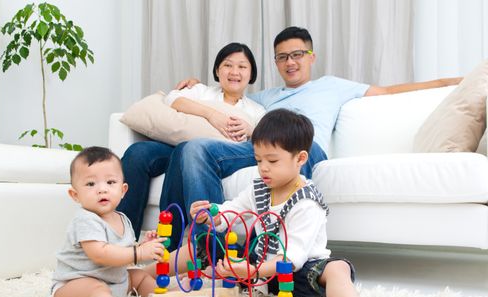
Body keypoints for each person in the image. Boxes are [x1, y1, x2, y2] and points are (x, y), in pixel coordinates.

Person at [156, 26, 462, 245]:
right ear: (275, 63)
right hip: (266, 150)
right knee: (193, 149)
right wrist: (198, 84)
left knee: (199, 149)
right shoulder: (264, 97)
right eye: (282, 57)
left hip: (306, 149)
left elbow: (386, 91)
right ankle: (207, 244)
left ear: (311, 57)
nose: (290, 62)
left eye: (298, 54)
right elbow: (233, 94)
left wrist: (449, 81)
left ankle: (268, 245)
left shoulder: (332, 85)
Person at [148, 109, 396, 297]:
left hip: (295, 273)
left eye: (273, 161)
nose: (263, 168)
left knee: (337, 268)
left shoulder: (308, 202)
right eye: (258, 160)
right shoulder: (259, 188)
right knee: (206, 242)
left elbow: (294, 258)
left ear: (300, 159)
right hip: (256, 265)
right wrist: (209, 216)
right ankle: (145, 273)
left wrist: (253, 272)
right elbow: (231, 211)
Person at [118, 42, 265, 239]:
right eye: (228, 65)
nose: (234, 72)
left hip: (205, 156)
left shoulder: (256, 110)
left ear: (251, 73)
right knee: (138, 152)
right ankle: (122, 239)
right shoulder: (201, 91)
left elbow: (264, 141)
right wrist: (211, 114)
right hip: (171, 145)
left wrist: (251, 130)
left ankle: (169, 242)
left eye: (242, 66)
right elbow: (172, 100)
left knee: (185, 150)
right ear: (217, 70)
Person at [52, 146, 164, 297]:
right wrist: (138, 253)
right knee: (97, 290)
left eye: (110, 182)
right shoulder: (85, 219)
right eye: (90, 184)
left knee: (139, 276)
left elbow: (122, 251)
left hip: (113, 280)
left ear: (123, 190)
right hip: (75, 284)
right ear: (75, 195)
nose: (102, 190)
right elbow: (100, 254)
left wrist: (143, 245)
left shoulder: (123, 219)